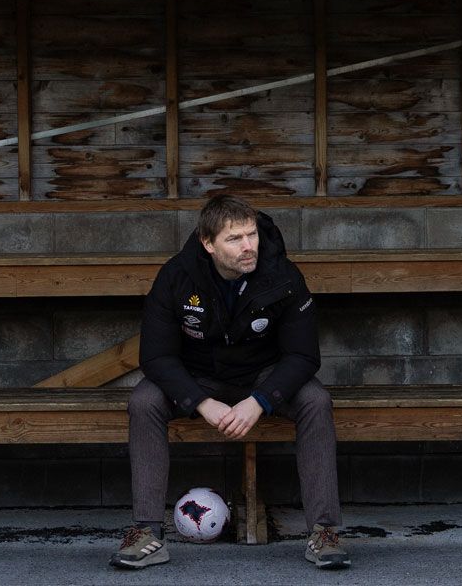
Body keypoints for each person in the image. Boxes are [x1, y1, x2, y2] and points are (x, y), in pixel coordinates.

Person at [111, 194, 349, 571]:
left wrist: (259, 400)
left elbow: (304, 356)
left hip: (262, 376)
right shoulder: (176, 276)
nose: (249, 246)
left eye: (252, 234)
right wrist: (200, 402)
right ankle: (146, 532)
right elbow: (156, 357)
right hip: (199, 377)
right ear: (209, 244)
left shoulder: (283, 275)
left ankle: (324, 532)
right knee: (144, 401)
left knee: (316, 401)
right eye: (235, 239)